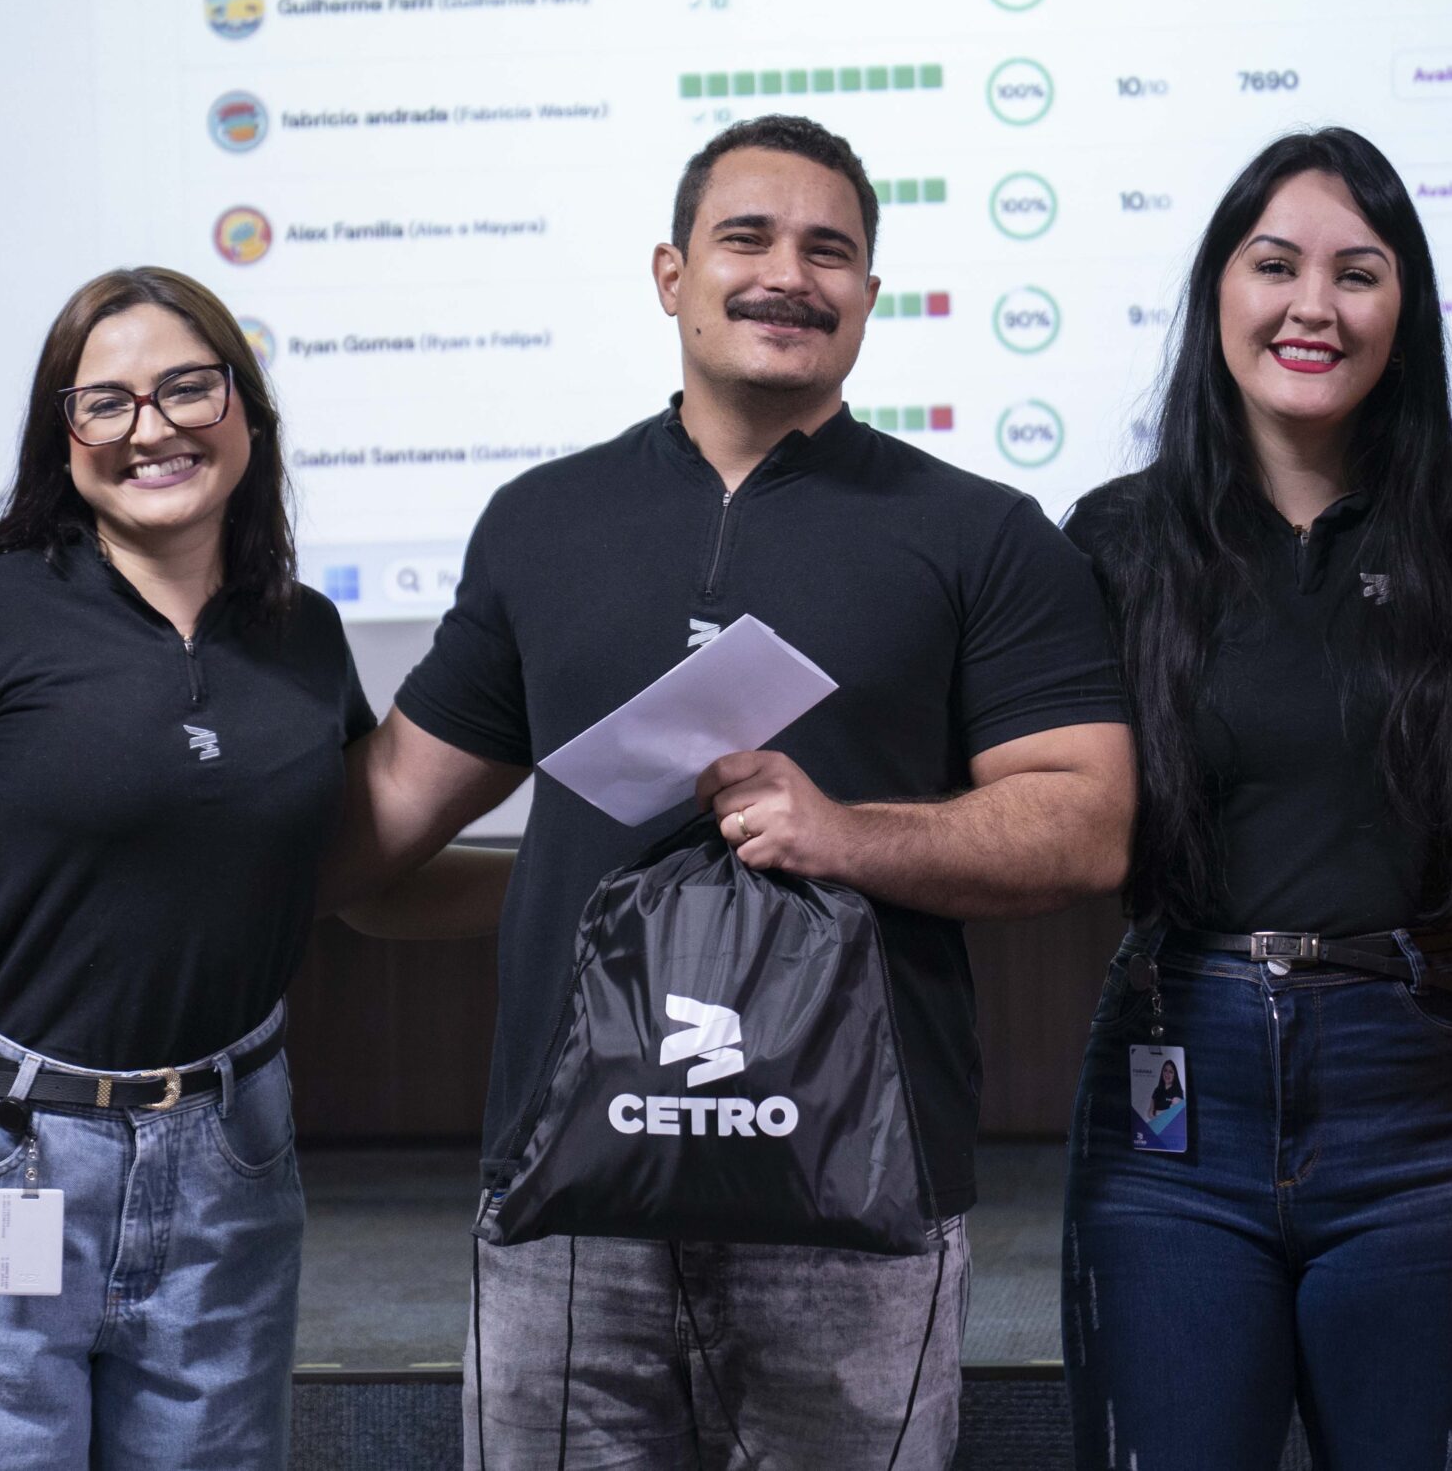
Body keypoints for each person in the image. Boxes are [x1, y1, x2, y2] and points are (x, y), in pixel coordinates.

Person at [329, 113, 1137, 1468]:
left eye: (832, 249)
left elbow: (1088, 819)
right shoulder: (544, 521)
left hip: (857, 1197)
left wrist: (847, 831)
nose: (789, 273)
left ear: (870, 295)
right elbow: (383, 823)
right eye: (746, 237)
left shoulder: (978, 531)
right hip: (568, 1197)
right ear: (670, 273)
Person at [0, 267, 497, 1466]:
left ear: (245, 408)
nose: (155, 429)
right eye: (108, 404)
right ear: (62, 438)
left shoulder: (302, 635)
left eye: (188, 388)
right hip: (1, 1155)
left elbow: (349, 884)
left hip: (229, 1158)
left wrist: (565, 876)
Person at [1059, 127, 1452, 1471]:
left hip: (1429, 1075)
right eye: (1274, 263)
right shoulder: (1115, 539)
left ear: (1403, 311)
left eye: (1358, 271)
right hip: (1178, 1081)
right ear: (1217, 290)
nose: (1312, 305)